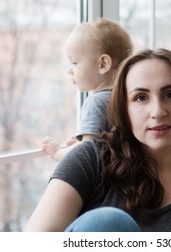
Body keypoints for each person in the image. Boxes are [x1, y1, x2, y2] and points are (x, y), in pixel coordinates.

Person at [24, 48, 171, 232]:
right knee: (109, 222)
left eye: (170, 95)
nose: (157, 111)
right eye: (140, 98)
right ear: (124, 110)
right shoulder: (90, 159)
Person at [41, 18, 133, 161]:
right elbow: (109, 145)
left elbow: (88, 155)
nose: (69, 71)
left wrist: (57, 152)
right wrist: (81, 144)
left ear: (103, 64)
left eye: (74, 62)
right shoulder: (130, 96)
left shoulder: (96, 102)